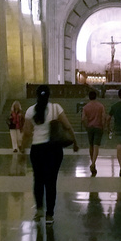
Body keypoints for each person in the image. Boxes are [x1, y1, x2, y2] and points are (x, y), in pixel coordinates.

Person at [22, 84, 77, 222]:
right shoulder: (55, 108)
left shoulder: (30, 110)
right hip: (53, 150)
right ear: (49, 94)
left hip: (37, 149)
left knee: (38, 180)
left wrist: (22, 148)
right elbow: (67, 126)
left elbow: (27, 133)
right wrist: (75, 141)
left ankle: (39, 209)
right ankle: (50, 215)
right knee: (51, 182)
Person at [82, 88, 109, 175]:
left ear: (89, 97)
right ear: (96, 97)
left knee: (91, 145)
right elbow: (103, 117)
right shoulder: (100, 106)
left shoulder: (86, 107)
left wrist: (86, 126)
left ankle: (92, 161)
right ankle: (93, 163)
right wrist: (103, 126)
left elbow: (83, 119)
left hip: (90, 127)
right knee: (96, 146)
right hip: (98, 127)